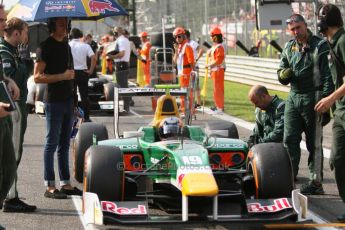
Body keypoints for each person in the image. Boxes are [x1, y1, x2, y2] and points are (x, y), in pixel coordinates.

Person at [277, 14, 334, 194]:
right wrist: (283, 74)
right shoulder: (289, 46)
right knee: (289, 139)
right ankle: (289, 177)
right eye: (292, 29)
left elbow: (327, 76)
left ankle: (316, 183)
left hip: (314, 97)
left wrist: (326, 100)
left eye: (298, 28)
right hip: (293, 97)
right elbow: (280, 71)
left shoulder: (320, 45)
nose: (295, 32)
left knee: (314, 144)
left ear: (305, 25)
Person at [34, 17, 82, 199]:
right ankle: (50, 185)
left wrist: (75, 102)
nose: (65, 26)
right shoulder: (45, 46)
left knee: (64, 143)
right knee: (51, 143)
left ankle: (66, 183)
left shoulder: (67, 46)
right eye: (61, 23)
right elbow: (38, 77)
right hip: (53, 101)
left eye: (66, 23)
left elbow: (70, 74)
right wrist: (62, 76)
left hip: (68, 100)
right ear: (52, 26)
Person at [0, 17, 36, 212]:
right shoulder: (4, 51)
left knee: (16, 152)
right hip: (10, 109)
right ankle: (10, 197)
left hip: (18, 108)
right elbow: (14, 79)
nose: (26, 36)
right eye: (25, 32)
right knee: (11, 155)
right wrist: (23, 62)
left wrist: (25, 61)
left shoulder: (13, 51)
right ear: (16, 33)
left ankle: (10, 194)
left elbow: (26, 74)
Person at [314, 4, 345, 222]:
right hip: (340, 112)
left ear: (326, 21)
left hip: (341, 107)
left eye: (320, 18)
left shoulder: (343, 41)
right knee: (337, 159)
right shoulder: (330, 43)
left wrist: (330, 98)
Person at [69, 28, 96, 122]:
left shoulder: (68, 45)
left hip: (71, 72)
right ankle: (86, 117)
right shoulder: (85, 46)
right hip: (83, 72)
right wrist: (91, 70)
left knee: (71, 95)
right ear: (80, 35)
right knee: (84, 95)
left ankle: (72, 116)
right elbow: (93, 57)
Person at [107, 26, 131, 112]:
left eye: (114, 32)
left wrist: (112, 56)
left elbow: (122, 53)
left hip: (121, 64)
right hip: (123, 64)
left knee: (122, 86)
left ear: (116, 33)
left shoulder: (121, 40)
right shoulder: (124, 40)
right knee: (124, 85)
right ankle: (127, 104)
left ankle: (126, 105)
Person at [172, 27, 195, 115]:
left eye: (179, 36)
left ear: (183, 36)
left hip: (187, 72)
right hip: (181, 73)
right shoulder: (179, 48)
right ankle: (184, 111)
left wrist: (193, 71)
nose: (177, 39)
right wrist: (176, 51)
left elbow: (191, 61)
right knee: (182, 93)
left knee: (187, 93)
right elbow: (174, 61)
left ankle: (189, 111)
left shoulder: (187, 46)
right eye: (176, 37)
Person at [207, 27, 226, 115]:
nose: (211, 37)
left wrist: (209, 65)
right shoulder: (214, 47)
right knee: (216, 89)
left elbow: (219, 60)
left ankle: (220, 107)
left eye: (211, 36)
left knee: (218, 89)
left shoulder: (219, 47)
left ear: (215, 36)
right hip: (214, 71)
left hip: (218, 70)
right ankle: (217, 105)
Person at [185, 30, 204, 107]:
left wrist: (196, 59)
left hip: (194, 66)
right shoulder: (184, 45)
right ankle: (190, 101)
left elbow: (201, 50)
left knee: (196, 85)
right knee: (189, 85)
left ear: (186, 36)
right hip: (187, 67)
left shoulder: (193, 43)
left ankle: (198, 102)